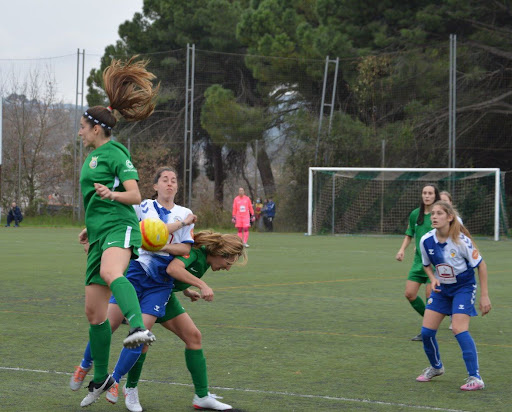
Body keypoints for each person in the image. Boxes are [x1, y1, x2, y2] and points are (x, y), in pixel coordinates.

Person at [72, 230, 246, 411]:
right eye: (228, 262)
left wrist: (186, 291)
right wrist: (202, 285)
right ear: (220, 253)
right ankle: (124, 385)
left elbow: (172, 272)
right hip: (147, 288)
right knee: (137, 337)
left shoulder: (204, 260)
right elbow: (173, 268)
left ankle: (201, 396)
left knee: (193, 337)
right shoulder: (194, 252)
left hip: (164, 293)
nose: (227, 268)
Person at [76, 56, 160, 407]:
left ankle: (138, 328)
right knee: (94, 315)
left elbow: (135, 195)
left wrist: (113, 195)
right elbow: (98, 199)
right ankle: (98, 380)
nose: (79, 131)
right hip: (99, 234)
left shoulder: (116, 151)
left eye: (82, 126)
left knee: (113, 273)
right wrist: (88, 227)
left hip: (121, 229)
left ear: (97, 127)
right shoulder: (94, 157)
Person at [415, 200, 491, 391]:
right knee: (426, 333)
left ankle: (475, 377)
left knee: (458, 329)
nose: (434, 217)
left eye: (439, 213)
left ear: (449, 217)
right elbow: (425, 264)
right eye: (432, 213)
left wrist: (484, 296)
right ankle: (436, 367)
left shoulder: (461, 241)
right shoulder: (426, 240)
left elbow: (481, 265)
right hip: (442, 289)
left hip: (463, 288)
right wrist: (432, 278)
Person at [396, 184, 440, 341]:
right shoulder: (415, 214)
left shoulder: (439, 215)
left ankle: (427, 330)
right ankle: (431, 320)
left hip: (435, 263)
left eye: (430, 193)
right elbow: (409, 234)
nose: (427, 196)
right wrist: (402, 250)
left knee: (430, 295)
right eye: (424, 193)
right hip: (418, 262)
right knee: (409, 294)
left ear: (435, 196)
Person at [439, 190, 463, 330]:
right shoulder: (436, 219)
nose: (443, 203)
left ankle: (456, 315)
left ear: (451, 203)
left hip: (455, 259)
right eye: (440, 200)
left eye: (446, 201)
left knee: (456, 287)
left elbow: (462, 239)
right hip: (442, 261)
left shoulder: (457, 221)